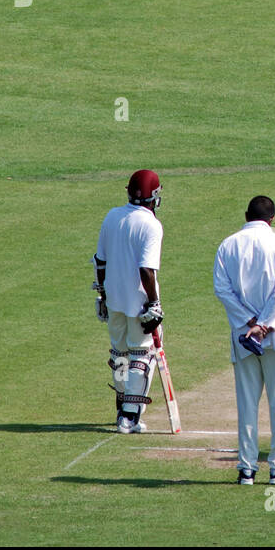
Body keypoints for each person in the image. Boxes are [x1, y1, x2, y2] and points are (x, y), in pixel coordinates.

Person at [213, 195, 275, 486]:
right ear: (272, 219)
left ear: (246, 215)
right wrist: (264, 323)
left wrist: (250, 322)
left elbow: (223, 291)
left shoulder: (228, 245)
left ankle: (247, 469)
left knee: (247, 404)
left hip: (244, 336)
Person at [93, 169, 165, 434]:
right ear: (154, 196)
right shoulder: (151, 225)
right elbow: (147, 270)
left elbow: (100, 261)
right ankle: (130, 416)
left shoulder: (112, 216)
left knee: (119, 354)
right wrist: (154, 303)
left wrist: (101, 295)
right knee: (141, 355)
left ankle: (121, 405)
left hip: (114, 300)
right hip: (139, 303)